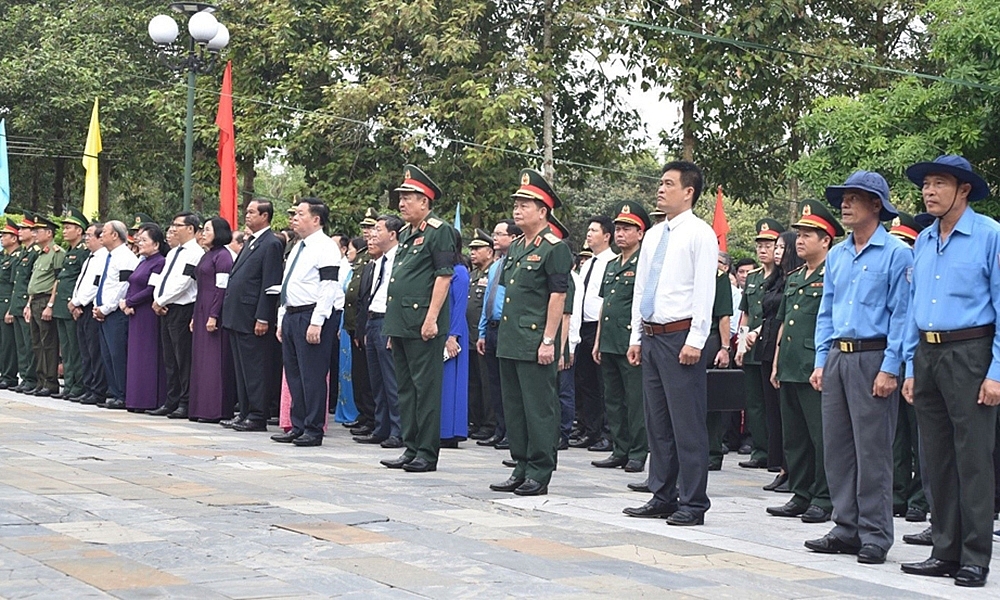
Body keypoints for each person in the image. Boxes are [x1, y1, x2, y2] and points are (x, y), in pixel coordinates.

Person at [899, 155, 1000, 588]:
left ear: (963, 189)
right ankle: (944, 549)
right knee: (935, 457)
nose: (929, 191)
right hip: (928, 352)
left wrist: (996, 370)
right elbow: (911, 308)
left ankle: (975, 556)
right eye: (926, 184)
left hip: (971, 352)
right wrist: (907, 365)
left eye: (939, 183)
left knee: (973, 457)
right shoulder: (923, 240)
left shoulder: (989, 235)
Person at [806, 170, 911, 565]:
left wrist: (890, 367)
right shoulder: (837, 254)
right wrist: (821, 360)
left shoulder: (898, 253)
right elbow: (826, 312)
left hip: (873, 356)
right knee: (838, 449)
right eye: (844, 197)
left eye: (854, 197)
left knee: (873, 452)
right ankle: (845, 526)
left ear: (876, 206)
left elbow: (901, 316)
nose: (845, 204)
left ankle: (875, 534)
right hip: (838, 356)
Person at [623, 160, 718, 526]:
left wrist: (696, 339)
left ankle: (693, 502)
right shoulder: (653, 235)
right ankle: (662, 494)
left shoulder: (700, 233)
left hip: (681, 337)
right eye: (660, 184)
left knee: (687, 424)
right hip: (652, 336)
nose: (660, 190)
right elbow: (641, 287)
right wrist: (636, 335)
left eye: (668, 184)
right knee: (657, 422)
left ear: (688, 191)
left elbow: (704, 291)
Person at [488, 169, 572, 496]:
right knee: (515, 407)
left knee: (539, 408)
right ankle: (520, 465)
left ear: (543, 210)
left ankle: (540, 470)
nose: (517, 209)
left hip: (536, 340)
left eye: (526, 204)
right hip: (511, 338)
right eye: (517, 203)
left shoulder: (554, 248)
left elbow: (558, 297)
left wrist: (549, 340)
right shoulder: (518, 246)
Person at [766, 200, 843, 525]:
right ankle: (801, 493)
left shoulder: (834, 274)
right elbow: (784, 323)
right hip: (790, 365)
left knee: (821, 436)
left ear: (826, 240)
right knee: (794, 435)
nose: (799, 240)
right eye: (798, 234)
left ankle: (824, 498)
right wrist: (775, 363)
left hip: (816, 366)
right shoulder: (796, 277)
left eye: (808, 234)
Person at [380, 165, 455, 472]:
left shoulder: (439, 232)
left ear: (425, 202)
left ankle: (426, 451)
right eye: (401, 197)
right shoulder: (410, 234)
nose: (402, 203)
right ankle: (410, 447)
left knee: (426, 389)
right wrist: (392, 326)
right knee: (406, 388)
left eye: (409, 197)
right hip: (401, 324)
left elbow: (443, 277)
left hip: (423, 324)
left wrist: (432, 318)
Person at [272, 198, 343, 447]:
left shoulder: (326, 247)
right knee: (294, 374)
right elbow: (287, 285)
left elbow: (328, 286)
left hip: (312, 314)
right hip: (292, 314)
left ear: (316, 219)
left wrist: (317, 321)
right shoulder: (298, 247)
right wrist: (282, 318)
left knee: (312, 374)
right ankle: (298, 424)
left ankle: (313, 428)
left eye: (300, 213)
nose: (294, 217)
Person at [591, 201, 650, 473]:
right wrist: (598, 340)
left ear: (641, 232)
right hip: (609, 339)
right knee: (613, 399)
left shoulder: (644, 263)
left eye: (627, 228)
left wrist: (636, 340)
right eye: (618, 228)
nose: (620, 233)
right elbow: (606, 304)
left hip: (631, 341)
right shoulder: (612, 264)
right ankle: (620, 448)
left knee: (635, 400)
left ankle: (638, 452)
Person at [221, 200, 284, 432]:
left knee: (255, 368)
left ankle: (258, 414)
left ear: (265, 216)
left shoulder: (271, 244)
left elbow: (269, 283)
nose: (246, 216)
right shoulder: (251, 242)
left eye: (251, 212)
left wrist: (263, 317)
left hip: (252, 316)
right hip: (238, 315)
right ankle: (245, 411)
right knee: (241, 367)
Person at [887, 213, 932, 533]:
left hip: (920, 360)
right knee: (897, 433)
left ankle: (921, 499)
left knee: (922, 436)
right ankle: (898, 493)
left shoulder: (924, 277)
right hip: (895, 357)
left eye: (906, 243)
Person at [735, 219, 784, 470]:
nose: (763, 250)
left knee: (771, 401)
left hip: (770, 345)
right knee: (753, 401)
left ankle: (774, 450)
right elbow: (744, 314)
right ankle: (759, 449)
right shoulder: (752, 278)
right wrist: (741, 345)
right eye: (760, 245)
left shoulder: (782, 277)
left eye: (769, 245)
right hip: (752, 346)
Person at [756, 231, 801, 491]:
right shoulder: (775, 279)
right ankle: (781, 467)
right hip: (767, 345)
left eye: (782, 247)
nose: (776, 252)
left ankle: (792, 468)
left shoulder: (795, 279)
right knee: (773, 411)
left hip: (785, 347)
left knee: (788, 415)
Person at [149, 212, 204, 419]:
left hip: (182, 308)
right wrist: (158, 299)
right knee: (170, 358)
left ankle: (185, 401)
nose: (173, 229)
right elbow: (162, 278)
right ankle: (171, 400)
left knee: (183, 358)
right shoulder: (173, 253)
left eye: (177, 225)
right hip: (165, 307)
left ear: (190, 228)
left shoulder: (195, 253)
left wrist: (161, 300)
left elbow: (184, 283)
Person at [571, 216, 616, 451]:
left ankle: (607, 433)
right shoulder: (587, 263)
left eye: (594, 230)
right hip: (583, 327)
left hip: (600, 327)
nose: (588, 234)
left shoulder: (613, 262)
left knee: (603, 384)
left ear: (607, 236)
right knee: (585, 382)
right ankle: (590, 429)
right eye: (588, 230)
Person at [476, 219, 521, 450]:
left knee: (508, 385)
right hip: (492, 327)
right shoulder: (495, 265)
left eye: (500, 234)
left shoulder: (518, 263)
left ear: (513, 238)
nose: (495, 238)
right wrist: (482, 331)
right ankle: (499, 428)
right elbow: (488, 300)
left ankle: (512, 434)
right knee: (494, 384)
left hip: (508, 328)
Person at [358, 215, 403, 448]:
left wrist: (394, 328)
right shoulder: (378, 261)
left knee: (392, 380)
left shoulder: (401, 258)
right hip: (373, 321)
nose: (372, 234)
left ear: (393, 234)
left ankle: (398, 430)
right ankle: (381, 427)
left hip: (389, 321)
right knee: (376, 381)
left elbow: (398, 295)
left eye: (378, 229)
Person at [188, 217, 236, 423]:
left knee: (214, 361)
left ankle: (215, 409)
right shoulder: (207, 255)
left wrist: (214, 314)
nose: (203, 233)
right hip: (200, 308)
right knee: (200, 360)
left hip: (214, 310)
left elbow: (222, 288)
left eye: (208, 229)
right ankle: (200, 407)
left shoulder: (223, 257)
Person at [93, 221, 140, 410]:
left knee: (117, 354)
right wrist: (98, 306)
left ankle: (122, 393)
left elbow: (123, 287)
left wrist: (106, 308)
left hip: (115, 313)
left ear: (115, 235)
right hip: (104, 311)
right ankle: (114, 391)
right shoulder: (109, 256)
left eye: (104, 232)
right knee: (107, 355)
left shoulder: (126, 257)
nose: (100, 235)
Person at [121, 224, 168, 412]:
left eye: (144, 240)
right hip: (135, 313)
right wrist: (125, 302)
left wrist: (130, 302)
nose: (139, 243)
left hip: (147, 314)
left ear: (156, 244)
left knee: (147, 356)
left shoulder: (159, 262)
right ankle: (134, 398)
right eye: (139, 240)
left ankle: (148, 399)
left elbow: (150, 290)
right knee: (135, 357)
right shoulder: (142, 261)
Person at [343, 208, 378, 436]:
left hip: (367, 324)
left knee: (368, 375)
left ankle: (372, 417)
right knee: (358, 374)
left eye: (371, 228)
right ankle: (364, 414)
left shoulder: (375, 257)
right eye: (364, 228)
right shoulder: (363, 255)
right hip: (354, 324)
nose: (366, 232)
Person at [22, 215, 63, 397]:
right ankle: (40, 380)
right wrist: (29, 304)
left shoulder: (56, 252)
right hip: (35, 300)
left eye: (38, 231)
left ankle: (50, 381)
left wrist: (51, 304)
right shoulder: (40, 254)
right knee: (37, 343)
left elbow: (57, 280)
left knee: (49, 343)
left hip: (46, 300)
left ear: (49, 233)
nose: (34, 234)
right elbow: (34, 281)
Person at [69, 223, 108, 404]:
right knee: (85, 351)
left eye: (90, 235)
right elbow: (80, 282)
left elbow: (95, 285)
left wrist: (78, 302)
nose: (86, 238)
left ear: (101, 238)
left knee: (94, 352)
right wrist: (74, 302)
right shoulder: (89, 258)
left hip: (89, 307)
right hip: (80, 307)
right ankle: (87, 386)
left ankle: (97, 389)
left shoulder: (103, 258)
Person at [51, 210, 89, 401]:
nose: (64, 231)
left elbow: (83, 279)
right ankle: (70, 383)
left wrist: (77, 302)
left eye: (68, 228)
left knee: (75, 347)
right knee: (65, 348)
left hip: (73, 306)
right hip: (61, 306)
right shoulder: (70, 252)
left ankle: (78, 384)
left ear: (79, 230)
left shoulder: (83, 252)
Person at [440, 228, 470, 448]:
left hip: (454, 329)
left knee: (452, 383)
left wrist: (453, 336)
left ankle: (451, 431)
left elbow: (460, 306)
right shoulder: (441, 270)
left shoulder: (459, 271)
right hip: (438, 329)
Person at [467, 228, 495, 441]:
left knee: (487, 383)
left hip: (483, 337)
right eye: (471, 249)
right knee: (473, 383)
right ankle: (475, 421)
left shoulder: (493, 273)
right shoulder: (472, 275)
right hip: (469, 337)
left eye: (478, 249)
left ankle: (489, 423)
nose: (473, 253)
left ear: (490, 252)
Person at [8, 212, 37, 394]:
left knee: (29, 343)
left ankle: (31, 377)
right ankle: (25, 377)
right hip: (17, 304)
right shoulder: (24, 254)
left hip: (27, 304)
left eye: (25, 228)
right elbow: (16, 284)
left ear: (33, 233)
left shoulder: (34, 253)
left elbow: (32, 282)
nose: (20, 231)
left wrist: (28, 304)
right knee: (21, 345)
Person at [0, 219, 20, 389]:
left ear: (14, 238)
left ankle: (9, 375)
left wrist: (11, 308)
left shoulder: (17, 258)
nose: (1, 237)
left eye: (5, 234)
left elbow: (16, 285)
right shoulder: (4, 257)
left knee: (8, 343)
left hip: (7, 302)